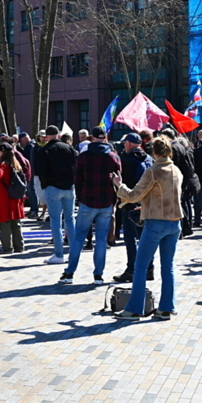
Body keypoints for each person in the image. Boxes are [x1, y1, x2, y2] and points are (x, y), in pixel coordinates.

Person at [111, 137, 184, 321]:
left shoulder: (153, 171)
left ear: (154, 153)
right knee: (168, 267)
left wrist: (119, 185)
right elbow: (166, 195)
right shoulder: (176, 170)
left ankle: (135, 309)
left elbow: (134, 195)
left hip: (156, 223)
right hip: (174, 222)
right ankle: (167, 307)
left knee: (140, 266)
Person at [59, 126, 121, 285]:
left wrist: (81, 197)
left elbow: (77, 179)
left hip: (88, 200)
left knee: (79, 238)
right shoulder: (114, 157)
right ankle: (98, 275)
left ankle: (69, 273)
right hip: (106, 201)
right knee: (101, 239)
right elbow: (118, 181)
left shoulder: (84, 156)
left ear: (92, 137)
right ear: (105, 138)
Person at [33, 125, 77, 265]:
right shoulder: (70, 148)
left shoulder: (44, 150)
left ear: (46, 136)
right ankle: (73, 253)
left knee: (55, 221)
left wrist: (45, 185)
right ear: (58, 135)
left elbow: (40, 171)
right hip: (69, 187)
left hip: (53, 187)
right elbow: (76, 166)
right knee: (70, 219)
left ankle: (59, 254)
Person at [114, 133, 151, 284]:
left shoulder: (126, 160)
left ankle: (131, 270)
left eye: (125, 143)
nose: (123, 145)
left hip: (129, 202)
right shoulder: (149, 159)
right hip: (146, 204)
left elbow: (120, 180)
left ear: (129, 143)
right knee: (145, 238)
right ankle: (149, 268)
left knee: (130, 239)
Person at [0, 143, 27, 255]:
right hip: (15, 196)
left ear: (3, 152)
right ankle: (19, 246)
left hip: (4, 196)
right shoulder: (16, 163)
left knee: (4, 222)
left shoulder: (2, 164)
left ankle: (7, 247)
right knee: (16, 222)